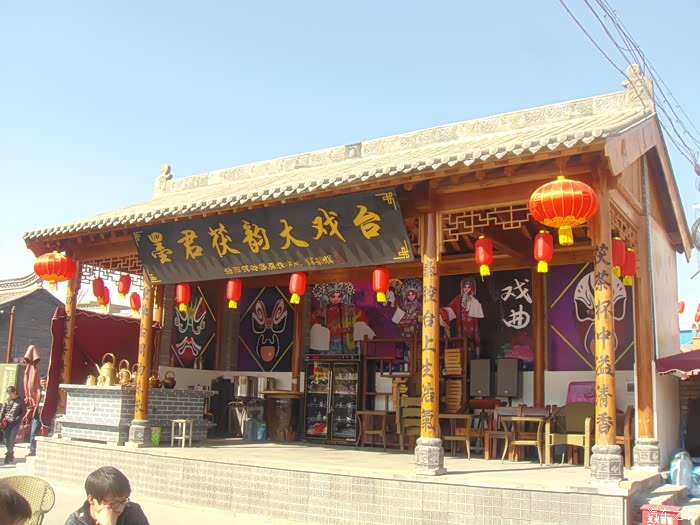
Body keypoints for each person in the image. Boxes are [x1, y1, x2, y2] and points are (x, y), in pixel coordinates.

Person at [65, 466, 150, 525]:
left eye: (123, 501)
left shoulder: (132, 512)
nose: (120, 509)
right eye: (114, 503)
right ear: (92, 499)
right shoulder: (75, 522)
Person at [439, 277, 485, 358]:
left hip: (472, 324)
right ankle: (462, 360)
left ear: (472, 288)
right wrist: (443, 311)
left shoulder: (474, 299)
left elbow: (479, 313)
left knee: (475, 341)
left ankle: (477, 358)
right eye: (465, 287)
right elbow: (451, 308)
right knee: (460, 342)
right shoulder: (458, 299)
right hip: (461, 325)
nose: (466, 289)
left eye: (469, 287)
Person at [0, 386, 26, 464]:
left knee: (11, 439)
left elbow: (23, 412)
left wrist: (18, 418)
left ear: (14, 392)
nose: (9, 395)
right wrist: (0, 421)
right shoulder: (6, 401)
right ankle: (10, 452)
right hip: (7, 423)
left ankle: (8, 455)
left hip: (15, 423)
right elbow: (2, 412)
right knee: (6, 440)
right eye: (8, 394)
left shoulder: (20, 401)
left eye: (10, 393)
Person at [28, 376, 47, 456]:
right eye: (42, 382)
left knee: (45, 434)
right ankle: (32, 450)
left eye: (44, 382)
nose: (43, 383)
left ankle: (44, 451)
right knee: (33, 432)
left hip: (46, 415)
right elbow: (35, 402)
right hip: (37, 414)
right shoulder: (38, 391)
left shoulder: (50, 391)